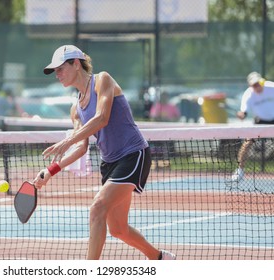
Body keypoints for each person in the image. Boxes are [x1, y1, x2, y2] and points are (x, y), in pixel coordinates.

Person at [33, 45, 176, 260]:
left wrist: (68, 140)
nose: (57, 74)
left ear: (76, 64)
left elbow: (102, 118)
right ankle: (159, 258)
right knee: (118, 229)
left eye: (61, 68)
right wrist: (51, 170)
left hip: (133, 154)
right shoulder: (76, 108)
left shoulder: (103, 80)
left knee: (97, 207)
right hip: (109, 164)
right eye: (55, 71)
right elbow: (81, 147)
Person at [231, 71, 274, 182]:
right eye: (254, 85)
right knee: (248, 142)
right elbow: (243, 113)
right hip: (260, 121)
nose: (257, 86)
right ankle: (240, 170)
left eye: (258, 83)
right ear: (250, 86)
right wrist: (241, 115)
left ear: (261, 82)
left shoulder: (271, 87)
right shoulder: (248, 95)